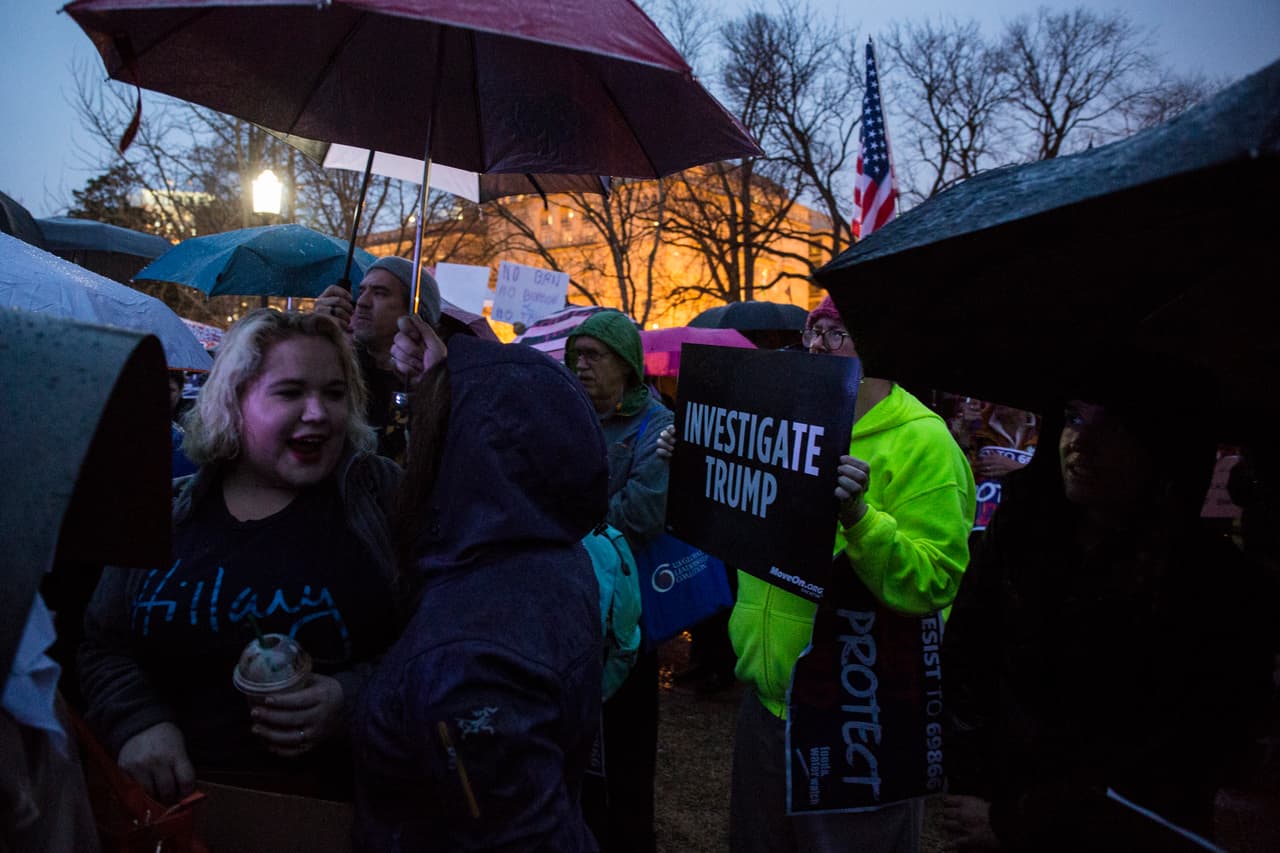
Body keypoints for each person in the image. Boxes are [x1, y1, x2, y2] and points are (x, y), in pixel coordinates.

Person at [661, 294, 976, 853]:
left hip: (860, 716)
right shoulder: (783, 422)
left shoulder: (926, 444)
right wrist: (696, 458)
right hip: (768, 702)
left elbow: (933, 584)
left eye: (836, 334)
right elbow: (743, 527)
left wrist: (860, 518)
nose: (816, 346)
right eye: (813, 332)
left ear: (876, 348)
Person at [941, 358, 1274, 852]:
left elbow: (1185, 751)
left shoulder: (1212, 583)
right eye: (1073, 417)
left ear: (1162, 445)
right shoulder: (1020, 540)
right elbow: (967, 661)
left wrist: (1022, 820)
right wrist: (982, 787)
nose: (1080, 442)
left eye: (1113, 426)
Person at [79, 309, 402, 803]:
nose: (318, 413)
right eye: (291, 392)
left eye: (334, 394)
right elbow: (102, 646)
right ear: (235, 401)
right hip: (172, 817)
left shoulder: (382, 503)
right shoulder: (166, 511)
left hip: (334, 820)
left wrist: (353, 698)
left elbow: (442, 649)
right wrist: (137, 722)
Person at [351, 324, 608, 852]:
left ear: (467, 444)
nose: (415, 439)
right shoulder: (543, 547)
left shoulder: (470, 667)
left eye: (434, 422)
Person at [565, 309, 674, 853]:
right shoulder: (570, 415)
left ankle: (632, 837)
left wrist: (573, 528)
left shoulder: (655, 424)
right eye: (576, 355)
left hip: (631, 607)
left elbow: (644, 511)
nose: (581, 366)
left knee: (627, 740)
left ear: (626, 365)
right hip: (574, 602)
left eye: (594, 356)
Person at [314, 256, 443, 463]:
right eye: (362, 291)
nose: (362, 302)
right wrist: (319, 341)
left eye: (380, 293)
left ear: (415, 312)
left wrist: (431, 385)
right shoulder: (344, 366)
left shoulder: (442, 383)